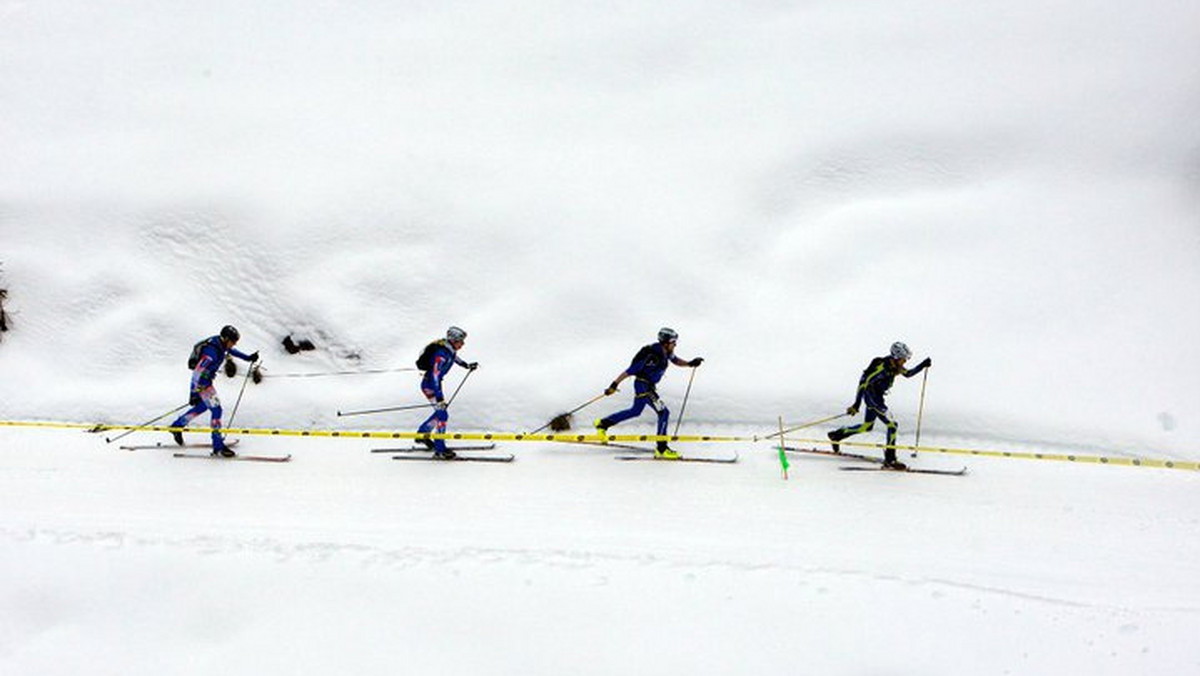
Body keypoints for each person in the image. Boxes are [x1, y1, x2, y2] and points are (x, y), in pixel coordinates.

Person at [594, 327, 704, 459]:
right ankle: (662, 448)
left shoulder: (666, 352)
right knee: (664, 412)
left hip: (648, 386)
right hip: (643, 386)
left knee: (635, 411)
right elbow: (629, 371)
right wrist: (614, 385)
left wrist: (690, 363)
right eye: (673, 342)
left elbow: (676, 360)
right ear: (665, 342)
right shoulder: (651, 355)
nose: (675, 344)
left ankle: (603, 423)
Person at [827, 341, 931, 470]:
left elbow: (908, 374)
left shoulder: (895, 366)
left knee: (867, 427)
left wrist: (923, 365)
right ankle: (890, 459)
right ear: (896, 357)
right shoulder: (881, 367)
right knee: (892, 425)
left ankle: (837, 435)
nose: (905, 362)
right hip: (872, 398)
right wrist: (856, 404)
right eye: (904, 359)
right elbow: (863, 383)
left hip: (877, 398)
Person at [170, 325, 258, 456]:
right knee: (217, 410)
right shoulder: (210, 353)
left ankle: (177, 425)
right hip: (202, 384)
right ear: (226, 338)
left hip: (206, 382)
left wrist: (248, 358)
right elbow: (197, 373)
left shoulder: (220, 343)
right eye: (233, 341)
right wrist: (193, 393)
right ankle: (218, 446)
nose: (234, 344)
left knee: (203, 406)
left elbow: (231, 351)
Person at [416, 326, 479, 459]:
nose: (462, 344)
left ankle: (422, 434)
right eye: (460, 342)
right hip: (430, 386)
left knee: (440, 413)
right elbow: (435, 376)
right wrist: (439, 398)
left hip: (434, 385)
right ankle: (440, 449)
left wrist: (467, 365)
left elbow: (456, 359)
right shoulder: (441, 354)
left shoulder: (449, 350)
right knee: (442, 415)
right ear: (453, 340)